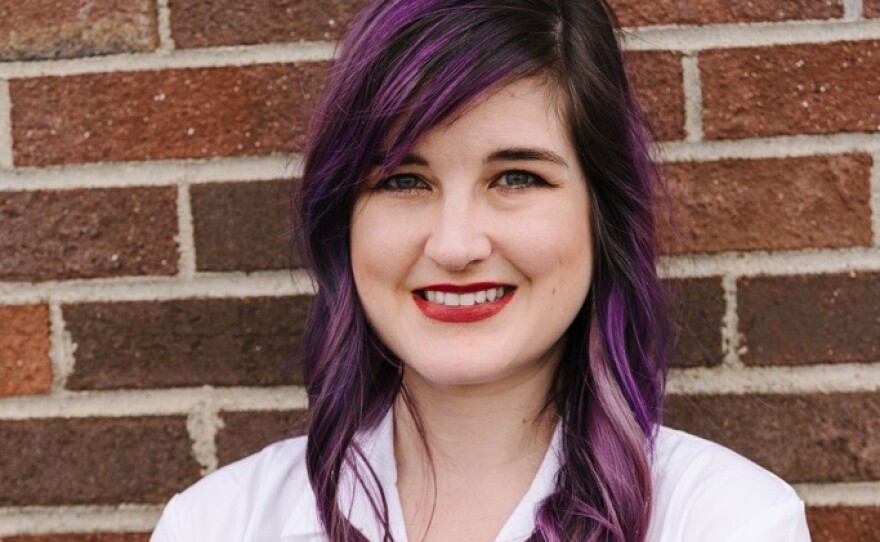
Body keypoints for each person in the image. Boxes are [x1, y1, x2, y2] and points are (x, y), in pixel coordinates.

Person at [151, 1, 811, 540]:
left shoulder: (726, 519)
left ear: (600, 213)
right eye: (404, 180)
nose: (455, 244)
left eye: (516, 176)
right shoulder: (219, 524)